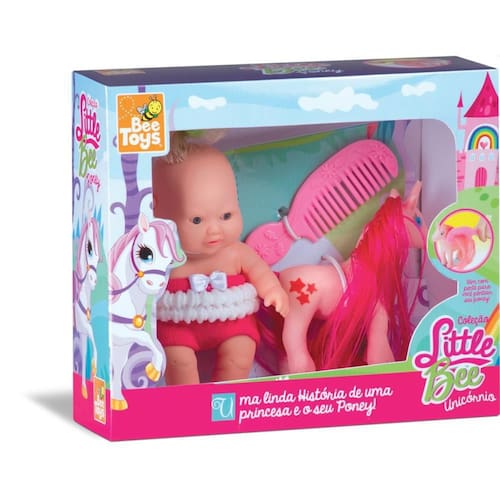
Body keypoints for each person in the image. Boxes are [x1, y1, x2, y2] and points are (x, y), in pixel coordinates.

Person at [152, 132, 289, 385]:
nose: (215, 230)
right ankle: (187, 402)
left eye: (226, 216)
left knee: (240, 354)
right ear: (158, 213)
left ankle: (227, 394)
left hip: (233, 321)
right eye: (197, 220)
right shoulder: (164, 257)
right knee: (178, 362)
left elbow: (260, 271)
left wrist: (273, 291)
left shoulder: (235, 251)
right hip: (177, 326)